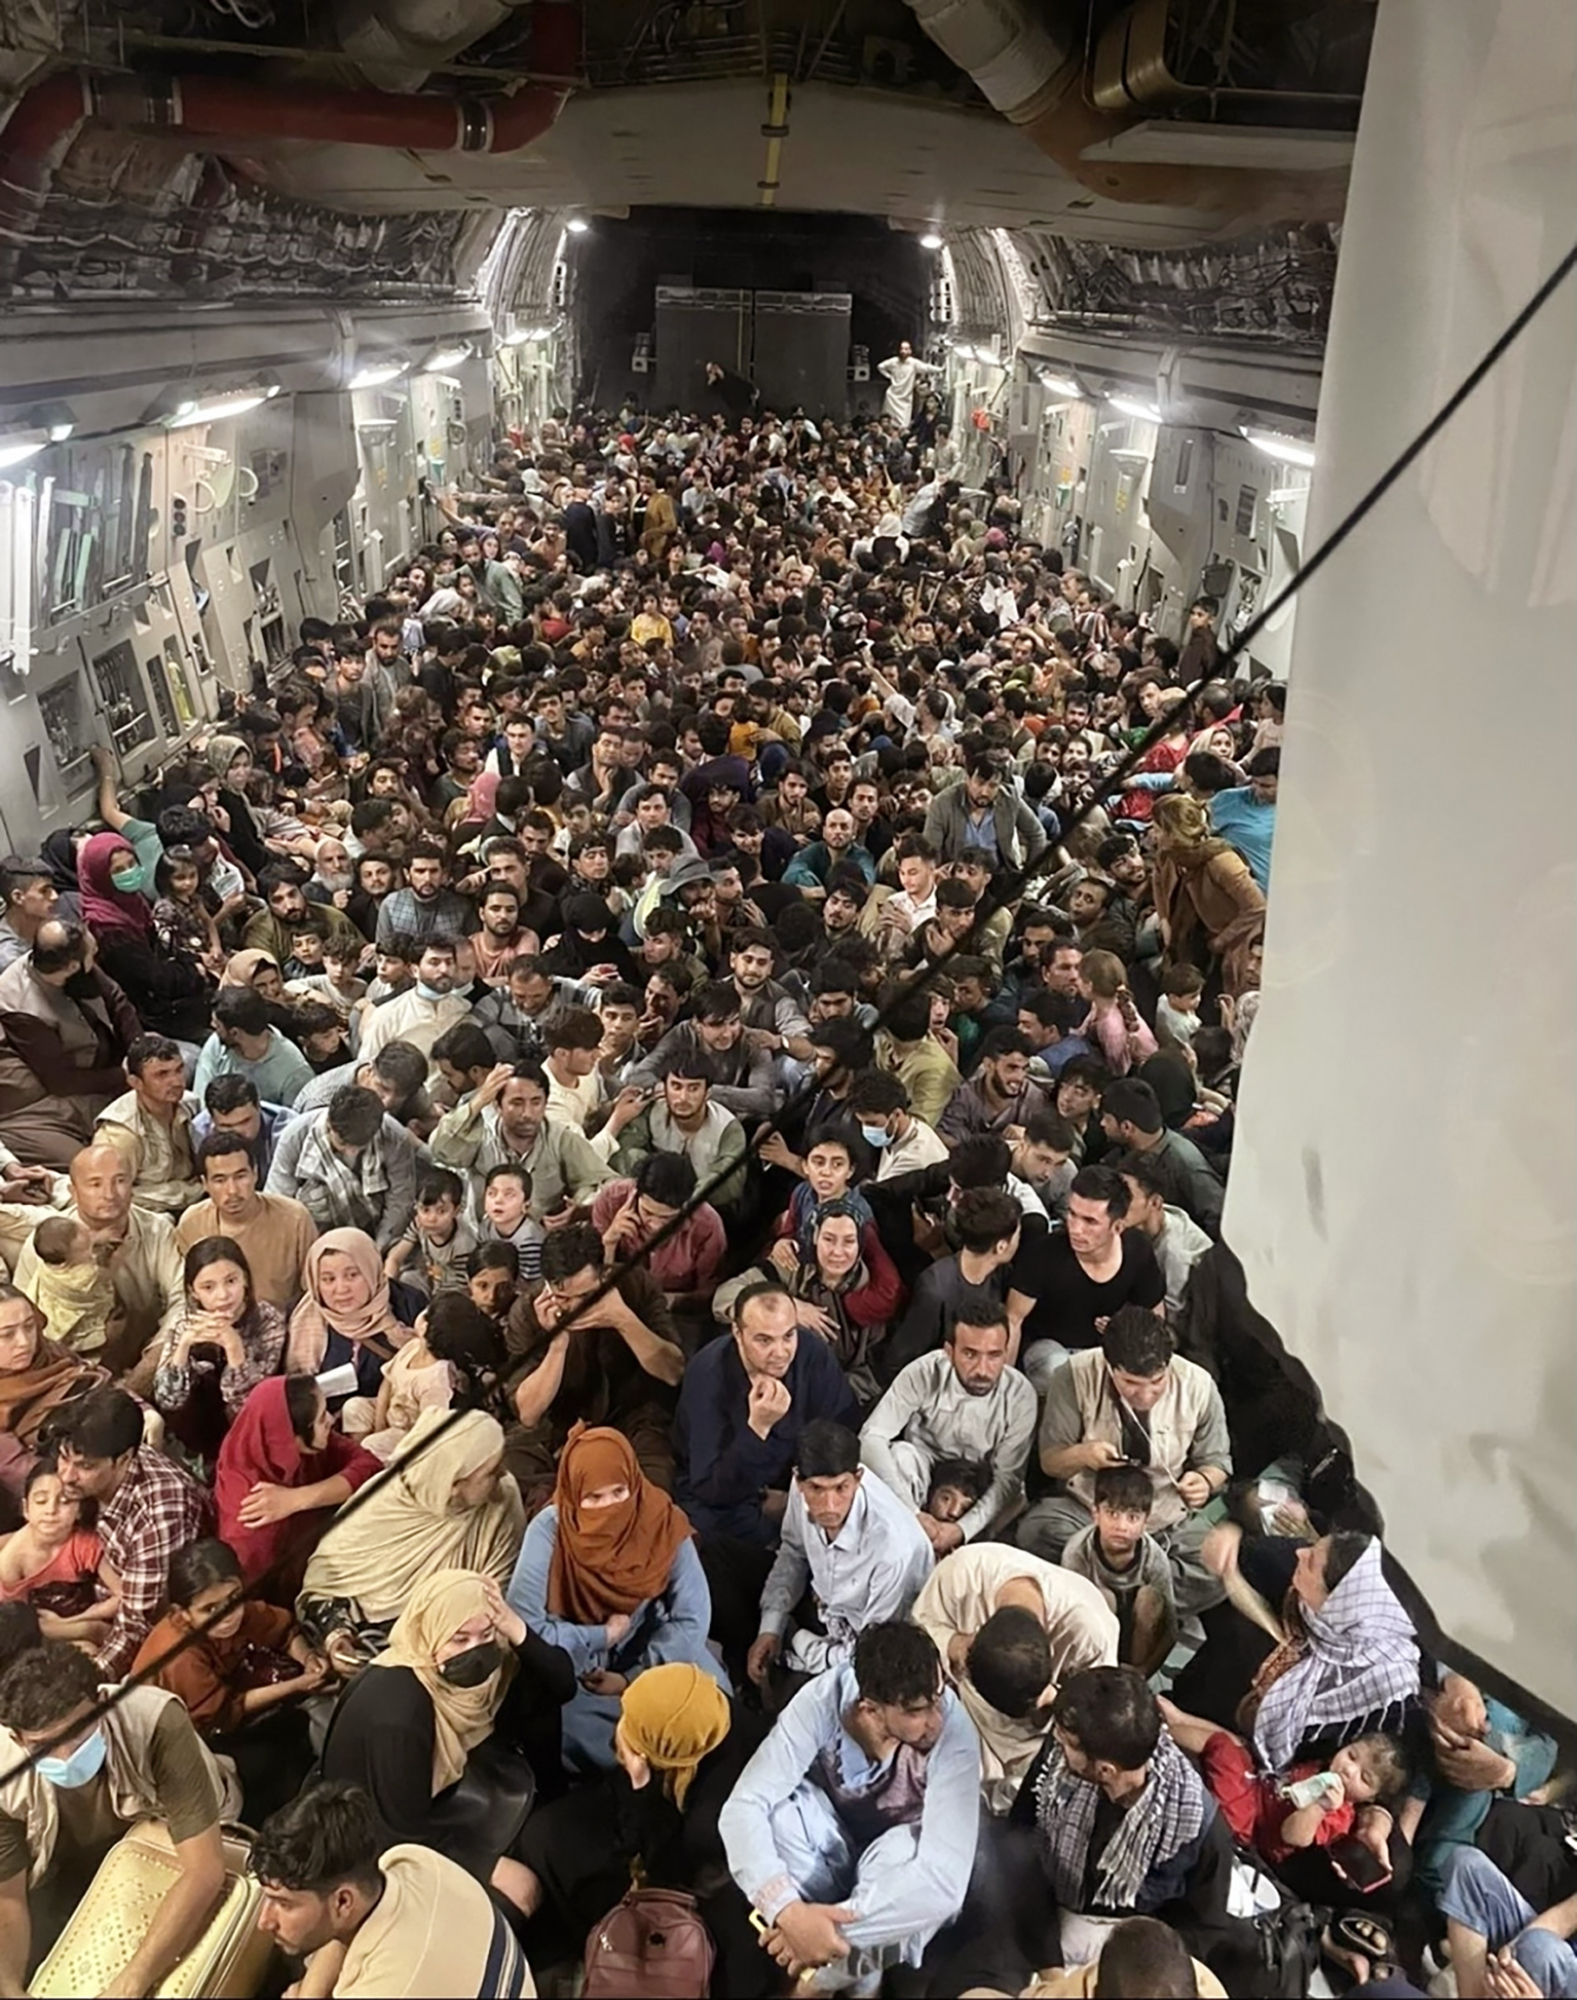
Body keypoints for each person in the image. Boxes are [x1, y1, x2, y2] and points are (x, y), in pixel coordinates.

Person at [719, 1620, 980, 1988]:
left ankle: (841, 1979)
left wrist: (819, 1934)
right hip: (829, 1849)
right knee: (780, 1815)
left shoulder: (954, 1729)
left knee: (914, 1865)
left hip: (892, 1868)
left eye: (939, 1697)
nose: (936, 1720)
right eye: (918, 1711)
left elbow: (946, 1884)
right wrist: (789, 1913)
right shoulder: (820, 1701)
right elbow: (743, 1806)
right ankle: (831, 1953)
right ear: (871, 1709)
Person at [319, 1568, 573, 1906]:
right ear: (430, 1635)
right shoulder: (400, 1713)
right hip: (380, 1831)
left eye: (486, 1633)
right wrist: (488, 1866)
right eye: (459, 1639)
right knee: (522, 1890)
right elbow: (401, 1833)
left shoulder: (483, 1675)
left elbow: (561, 1685)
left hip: (451, 1790)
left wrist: (515, 1627)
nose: (476, 1649)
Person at [0, 1640, 235, 1994]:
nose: (66, 1755)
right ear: (18, 1739)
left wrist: (131, 1982)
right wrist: (8, 1985)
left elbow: (204, 1870)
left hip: (163, 1839)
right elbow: (9, 1899)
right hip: (64, 1865)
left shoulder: (153, 1722)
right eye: (45, 1745)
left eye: (77, 1732)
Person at [507, 1425, 725, 1773]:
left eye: (618, 1492)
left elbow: (692, 1617)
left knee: (703, 1713)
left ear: (634, 1485)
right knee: (573, 1734)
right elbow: (526, 1628)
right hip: (581, 1669)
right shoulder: (550, 1529)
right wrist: (600, 1637)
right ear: (574, 1494)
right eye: (593, 1498)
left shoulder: (660, 1520)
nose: (608, 1507)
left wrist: (632, 1678)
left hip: (655, 1653)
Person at [1017, 1309, 1231, 1616]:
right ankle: (1144, 1599)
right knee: (1035, 1533)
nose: (1145, 1395)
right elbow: (1051, 1461)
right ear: (1109, 1365)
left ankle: (1105, 1596)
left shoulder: (1199, 1385)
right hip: (1091, 1512)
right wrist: (1084, 1455)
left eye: (1157, 1381)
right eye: (1131, 1383)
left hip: (1166, 1518)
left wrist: (1205, 1481)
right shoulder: (1074, 1375)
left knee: (1217, 1566)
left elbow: (1217, 1461)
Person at [250, 1779, 535, 1998]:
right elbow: (343, 1930)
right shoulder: (412, 1861)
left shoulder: (385, 1990)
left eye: (284, 1904)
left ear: (343, 1902)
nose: (265, 1921)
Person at [911, 1543, 1118, 1814]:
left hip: (1047, 1730)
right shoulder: (963, 1573)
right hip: (970, 1710)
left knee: (1050, 1800)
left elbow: (1098, 1712)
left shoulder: (1091, 1632)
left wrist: (1057, 1700)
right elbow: (921, 1623)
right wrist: (952, 1644)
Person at [131, 1537, 327, 1824]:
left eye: (234, 1599)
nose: (228, 1616)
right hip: (175, 1742)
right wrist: (298, 1684)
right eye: (210, 1609)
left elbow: (282, 1629)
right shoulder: (180, 1654)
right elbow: (223, 1713)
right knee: (276, 1762)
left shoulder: (238, 1612)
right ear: (181, 1614)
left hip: (218, 1710)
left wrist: (308, 1659)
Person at [501, 1219, 684, 1502]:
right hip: (558, 1423)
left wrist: (624, 1319)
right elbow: (528, 1412)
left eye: (586, 1296)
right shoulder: (527, 1311)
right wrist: (557, 1345)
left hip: (631, 1416)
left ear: (603, 1274)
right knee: (511, 1469)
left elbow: (673, 1372)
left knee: (655, 1485)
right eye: (563, 1297)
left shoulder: (635, 1284)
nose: (576, 1307)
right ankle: (567, 1514)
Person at [301, 1408, 525, 1636]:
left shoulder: (501, 1500)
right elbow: (322, 1586)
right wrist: (337, 1637)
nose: (504, 1473)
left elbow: (496, 1610)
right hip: (365, 1641)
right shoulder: (381, 1500)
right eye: (491, 1472)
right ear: (452, 1485)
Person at [751, 1419, 932, 1686]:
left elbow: (875, 1649)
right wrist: (770, 1627)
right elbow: (793, 1552)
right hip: (826, 1607)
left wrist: (804, 1647)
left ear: (857, 1478)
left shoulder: (894, 1548)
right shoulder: (800, 1489)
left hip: (871, 1641)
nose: (829, 1506)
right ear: (798, 1480)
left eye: (840, 1488)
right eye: (816, 1490)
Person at [51, 1384, 210, 1677]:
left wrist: (86, 1687)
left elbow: (137, 1627)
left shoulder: (158, 1513)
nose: (66, 1476)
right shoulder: (105, 1444)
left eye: (85, 1466)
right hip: (91, 1593)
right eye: (63, 1458)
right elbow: (115, 1388)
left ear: (125, 1459)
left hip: (136, 1630)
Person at [860, 1299, 1037, 1549]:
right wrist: (912, 1514)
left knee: (1016, 1496)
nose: (982, 1369)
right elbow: (871, 1438)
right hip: (924, 1467)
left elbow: (1007, 1478)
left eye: (994, 1355)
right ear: (949, 1351)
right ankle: (901, 1550)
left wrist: (961, 1530)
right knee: (900, 1456)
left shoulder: (1020, 1395)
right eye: (970, 1354)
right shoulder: (924, 1372)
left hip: (980, 1477)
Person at [213, 1374, 382, 1598]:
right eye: (322, 1418)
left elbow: (369, 1465)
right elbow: (260, 1594)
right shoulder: (251, 1519)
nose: (331, 1420)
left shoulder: (300, 1444)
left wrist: (298, 1498)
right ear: (288, 1439)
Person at [0, 921, 141, 1171]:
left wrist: (140, 1055)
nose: (94, 953)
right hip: (54, 1099)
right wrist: (124, 1075)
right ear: (72, 966)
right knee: (92, 1165)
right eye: (91, 952)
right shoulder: (21, 1008)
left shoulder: (71, 963)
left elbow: (118, 1002)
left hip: (110, 1065)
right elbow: (61, 1081)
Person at [1015, 1167, 1166, 1388]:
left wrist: (1126, 1331)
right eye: (1072, 1214)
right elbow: (1013, 1319)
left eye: (1090, 1221)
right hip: (1048, 1347)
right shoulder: (1042, 1254)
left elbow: (1155, 1314)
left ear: (1117, 1226)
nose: (1076, 1229)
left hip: (1108, 1349)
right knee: (1060, 1374)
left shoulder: (1137, 1250)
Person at [151, 1236, 288, 1451]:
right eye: (208, 1287)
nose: (223, 1295)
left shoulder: (269, 1320)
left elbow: (250, 1408)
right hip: (196, 1434)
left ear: (246, 1280)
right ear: (193, 1292)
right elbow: (169, 1401)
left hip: (253, 1435)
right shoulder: (185, 1322)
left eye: (231, 1281)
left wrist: (234, 1350)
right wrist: (184, 1346)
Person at [284, 1228, 417, 1432]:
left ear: (371, 1269)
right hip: (325, 1433)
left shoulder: (408, 1304)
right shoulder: (302, 1315)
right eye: (328, 1279)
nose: (341, 1289)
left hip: (397, 1425)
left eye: (352, 1275)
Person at [175, 1129, 317, 1313]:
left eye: (240, 1176)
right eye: (220, 1180)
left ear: (255, 1174)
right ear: (204, 1183)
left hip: (287, 1327)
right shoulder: (191, 1224)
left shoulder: (295, 1218)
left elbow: (313, 1293)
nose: (232, 1190)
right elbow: (187, 1297)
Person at [267, 1086, 419, 1252]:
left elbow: (400, 1202)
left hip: (374, 1236)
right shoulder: (295, 1136)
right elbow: (279, 1204)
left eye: (360, 1147)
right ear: (329, 1124)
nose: (351, 1152)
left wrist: (376, 1249)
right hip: (311, 1237)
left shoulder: (395, 1138)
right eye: (342, 1144)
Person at [1061, 1465, 1179, 1677]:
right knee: (1102, 1598)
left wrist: (1144, 1671)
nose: (1121, 1526)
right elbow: (1067, 1616)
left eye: (1132, 1517)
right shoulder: (1077, 1552)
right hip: (1096, 1632)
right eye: (1112, 1513)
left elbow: (1170, 1629)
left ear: (1145, 1522)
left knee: (1150, 1598)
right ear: (1095, 1514)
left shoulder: (1154, 1559)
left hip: (1138, 1635)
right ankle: (1098, 1673)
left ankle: (1129, 1677)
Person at [0, 1283, 110, 1500]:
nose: (24, 1342)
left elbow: (94, 1378)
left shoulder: (48, 1353)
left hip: (108, 1443)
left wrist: (145, 1411)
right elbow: (21, 1470)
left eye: (29, 1327)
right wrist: (87, 1477)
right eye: (6, 1335)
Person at [1149, 793, 1265, 999]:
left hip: (1226, 941)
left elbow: (1256, 907)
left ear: (1173, 833)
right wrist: (1165, 919)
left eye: (1157, 829)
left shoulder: (1222, 862)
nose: (1153, 835)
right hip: (1187, 935)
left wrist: (1221, 941)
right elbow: (1158, 882)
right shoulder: (1167, 854)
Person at [0, 1457, 121, 1646]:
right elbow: (17, 1624)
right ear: (26, 1509)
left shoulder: (84, 1543)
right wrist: (83, 1628)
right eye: (41, 1501)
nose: (51, 1510)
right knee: (87, 1644)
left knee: (98, 1632)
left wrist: (78, 1620)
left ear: (80, 1510)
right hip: (31, 1629)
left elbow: (123, 1596)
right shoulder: (12, 1560)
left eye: (65, 1502)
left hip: (74, 1618)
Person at [93, 1032, 200, 1216]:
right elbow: (108, 1196)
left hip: (196, 1206)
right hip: (144, 1216)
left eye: (179, 1070)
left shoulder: (192, 1105)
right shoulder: (119, 1134)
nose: (176, 1081)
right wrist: (189, 1191)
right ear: (135, 1082)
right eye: (162, 1074)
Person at [1100, 1080, 1224, 1236]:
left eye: (1107, 1119)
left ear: (1126, 1127)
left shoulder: (1186, 1164)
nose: (1102, 1123)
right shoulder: (1122, 1151)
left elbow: (1216, 1216)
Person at [194, 986, 315, 1109]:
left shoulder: (295, 1071)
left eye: (217, 1025)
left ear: (235, 1033)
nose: (212, 1025)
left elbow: (294, 1120)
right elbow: (202, 1100)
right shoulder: (216, 1044)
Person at [358, 936, 472, 1067]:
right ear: (414, 970)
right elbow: (367, 1069)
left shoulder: (464, 1009)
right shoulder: (387, 1017)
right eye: (434, 963)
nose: (444, 970)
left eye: (449, 962)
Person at [26, 1214, 117, 1353]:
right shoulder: (83, 1277)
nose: (91, 1235)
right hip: (73, 1314)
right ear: (67, 1261)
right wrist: (112, 1254)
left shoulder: (47, 1261)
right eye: (87, 1247)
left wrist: (93, 1239)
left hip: (50, 1300)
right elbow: (106, 1273)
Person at [877, 339, 943, 430]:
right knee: (890, 421)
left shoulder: (913, 363)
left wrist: (940, 369)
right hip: (893, 396)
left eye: (906, 349)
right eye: (902, 349)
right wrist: (889, 377)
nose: (904, 351)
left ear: (910, 351)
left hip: (906, 398)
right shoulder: (893, 361)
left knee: (903, 424)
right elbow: (880, 366)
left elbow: (926, 367)